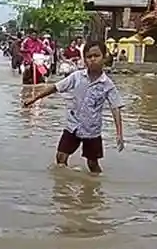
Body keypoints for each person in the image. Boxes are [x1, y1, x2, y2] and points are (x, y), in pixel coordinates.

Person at [22, 40, 125, 174]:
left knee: (92, 164)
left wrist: (119, 133)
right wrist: (34, 98)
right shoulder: (76, 77)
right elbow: (55, 87)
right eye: (89, 57)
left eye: (96, 55)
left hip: (92, 130)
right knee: (60, 157)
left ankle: (96, 189)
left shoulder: (107, 85)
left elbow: (115, 108)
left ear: (104, 57)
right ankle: (63, 188)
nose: (93, 59)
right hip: (73, 126)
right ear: (84, 59)